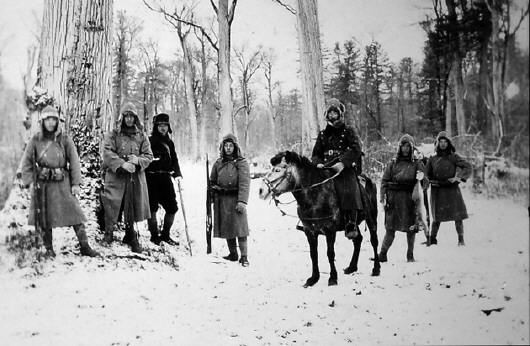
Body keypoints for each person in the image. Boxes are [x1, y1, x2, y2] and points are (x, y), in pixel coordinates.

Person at [19, 105, 99, 258]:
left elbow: (74, 161)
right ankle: (48, 248)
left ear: (57, 121)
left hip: (62, 181)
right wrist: (30, 183)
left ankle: (85, 246)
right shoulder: (35, 139)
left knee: (76, 213)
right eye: (47, 119)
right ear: (42, 121)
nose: (51, 123)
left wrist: (75, 183)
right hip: (43, 184)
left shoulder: (64, 139)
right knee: (44, 218)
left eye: (53, 119)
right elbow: (27, 163)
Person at [101, 101, 153, 253]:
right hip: (116, 175)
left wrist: (137, 161)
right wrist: (122, 164)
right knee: (111, 202)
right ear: (122, 117)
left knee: (132, 205)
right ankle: (109, 232)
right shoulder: (114, 134)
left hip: (134, 177)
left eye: (132, 116)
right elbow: (107, 152)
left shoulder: (141, 135)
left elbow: (149, 155)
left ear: (136, 118)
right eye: (126, 116)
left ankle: (130, 234)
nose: (129, 119)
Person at [311, 98, 363, 238]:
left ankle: (351, 222)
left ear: (340, 114)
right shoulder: (322, 134)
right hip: (326, 168)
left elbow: (356, 149)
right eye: (330, 113)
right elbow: (316, 153)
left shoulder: (348, 130)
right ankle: (312, 220)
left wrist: (342, 162)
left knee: (350, 190)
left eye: (335, 113)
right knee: (313, 189)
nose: (332, 116)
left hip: (344, 168)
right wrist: (318, 163)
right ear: (326, 115)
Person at [379, 134, 426, 263]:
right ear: (400, 147)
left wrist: (421, 177)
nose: (405, 148)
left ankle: (410, 255)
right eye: (403, 146)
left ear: (412, 148)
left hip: (409, 200)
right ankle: (382, 254)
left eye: (408, 146)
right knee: (390, 229)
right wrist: (383, 198)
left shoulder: (417, 164)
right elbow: (384, 182)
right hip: (394, 199)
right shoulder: (392, 164)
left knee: (411, 229)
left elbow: (424, 184)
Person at [209, 134, 251, 267]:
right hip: (222, 199)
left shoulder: (241, 163)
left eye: (231, 146)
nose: (228, 148)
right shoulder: (218, 163)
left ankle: (244, 257)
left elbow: (245, 183)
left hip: (236, 199)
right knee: (227, 226)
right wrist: (211, 194)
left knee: (240, 228)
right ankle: (233, 254)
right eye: (226, 146)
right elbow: (212, 181)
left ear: (235, 147)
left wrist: (242, 201)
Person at [426, 131, 471, 246]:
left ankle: (461, 239)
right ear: (437, 143)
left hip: (452, 190)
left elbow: (467, 166)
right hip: (438, 190)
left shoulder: (453, 157)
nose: (443, 144)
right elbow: (427, 175)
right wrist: (431, 181)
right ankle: (432, 239)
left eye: (445, 141)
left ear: (448, 143)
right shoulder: (432, 159)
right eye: (440, 142)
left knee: (458, 215)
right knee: (436, 216)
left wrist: (459, 178)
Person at [145, 112, 182, 245]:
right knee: (152, 209)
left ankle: (165, 235)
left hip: (166, 178)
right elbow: (144, 159)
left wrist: (177, 174)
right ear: (156, 127)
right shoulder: (148, 141)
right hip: (151, 179)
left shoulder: (169, 143)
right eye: (160, 125)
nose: (163, 128)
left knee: (172, 208)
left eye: (165, 125)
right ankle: (154, 236)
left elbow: (174, 160)